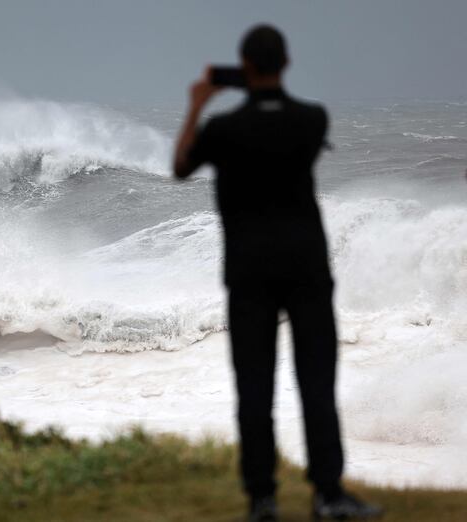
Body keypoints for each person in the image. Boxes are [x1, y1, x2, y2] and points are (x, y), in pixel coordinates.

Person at [173, 25, 382, 521]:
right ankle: (328, 494)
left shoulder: (222, 131)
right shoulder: (311, 120)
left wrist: (200, 102)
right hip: (306, 268)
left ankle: (263, 500)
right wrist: (255, 87)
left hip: (249, 272)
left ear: (243, 67)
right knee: (316, 383)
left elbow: (181, 165)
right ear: (285, 63)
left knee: (254, 388)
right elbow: (279, 124)